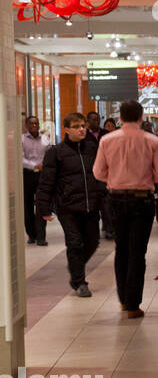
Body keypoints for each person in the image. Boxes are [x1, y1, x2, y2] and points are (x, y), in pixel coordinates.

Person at [92, 99, 158, 319]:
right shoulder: (152, 141)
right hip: (142, 200)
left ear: (120, 117)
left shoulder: (107, 140)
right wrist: (145, 178)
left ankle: (124, 301)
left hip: (115, 199)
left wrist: (115, 179)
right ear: (141, 116)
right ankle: (134, 304)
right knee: (138, 252)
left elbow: (98, 172)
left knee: (121, 249)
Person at [35, 112, 103, 297]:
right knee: (75, 243)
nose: (81, 129)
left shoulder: (92, 148)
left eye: (83, 126)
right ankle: (79, 281)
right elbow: (46, 182)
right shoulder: (56, 152)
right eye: (76, 126)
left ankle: (76, 265)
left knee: (92, 242)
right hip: (68, 207)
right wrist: (43, 208)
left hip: (90, 206)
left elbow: (100, 177)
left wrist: (104, 202)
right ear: (67, 129)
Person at [21, 115, 48, 246]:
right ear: (26, 125)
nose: (34, 126)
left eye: (36, 123)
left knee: (42, 205)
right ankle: (31, 235)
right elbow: (20, 158)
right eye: (31, 124)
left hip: (42, 175)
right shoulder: (21, 139)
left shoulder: (45, 139)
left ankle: (41, 236)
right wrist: (34, 165)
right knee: (28, 206)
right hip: (27, 174)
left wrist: (43, 165)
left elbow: (49, 155)